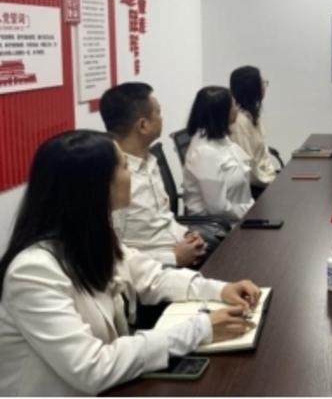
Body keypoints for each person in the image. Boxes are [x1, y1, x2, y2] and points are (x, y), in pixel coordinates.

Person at [0, 130, 261, 396]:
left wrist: (219, 290)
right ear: (97, 184)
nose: (131, 176)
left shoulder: (91, 240)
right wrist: (198, 330)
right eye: (124, 167)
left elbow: (154, 277)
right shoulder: (33, 272)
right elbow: (92, 368)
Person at [99, 83, 207, 268]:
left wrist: (187, 235)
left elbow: (163, 220)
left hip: (180, 256)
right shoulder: (114, 179)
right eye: (158, 113)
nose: (161, 118)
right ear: (143, 125)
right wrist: (173, 258)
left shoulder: (149, 161)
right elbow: (112, 256)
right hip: (154, 272)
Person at [183, 86, 254, 223]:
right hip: (218, 228)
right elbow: (219, 209)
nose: (237, 110)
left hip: (238, 218)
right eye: (234, 106)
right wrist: (252, 210)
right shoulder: (204, 153)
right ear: (221, 113)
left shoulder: (220, 139)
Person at [229, 67, 277, 199]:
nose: (264, 87)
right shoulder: (239, 122)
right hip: (252, 190)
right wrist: (271, 181)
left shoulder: (253, 116)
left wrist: (272, 175)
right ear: (252, 89)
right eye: (262, 83)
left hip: (263, 181)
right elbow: (248, 169)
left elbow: (264, 152)